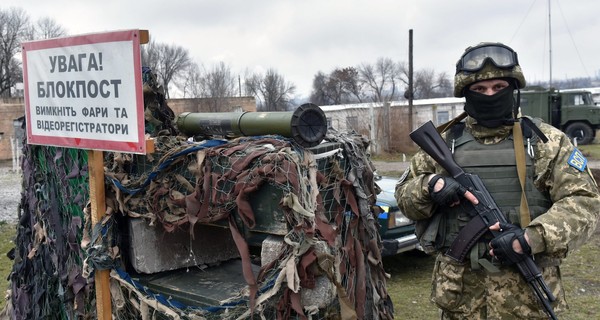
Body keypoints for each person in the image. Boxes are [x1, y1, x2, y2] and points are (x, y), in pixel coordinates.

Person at [395, 42, 600, 319]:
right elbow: (404, 198)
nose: (489, 95)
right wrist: (431, 186)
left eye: (498, 87)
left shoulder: (546, 142)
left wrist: (530, 239)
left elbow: (585, 203)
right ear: (466, 94)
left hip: (527, 301)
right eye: (479, 89)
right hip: (460, 299)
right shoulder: (444, 144)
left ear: (513, 90)